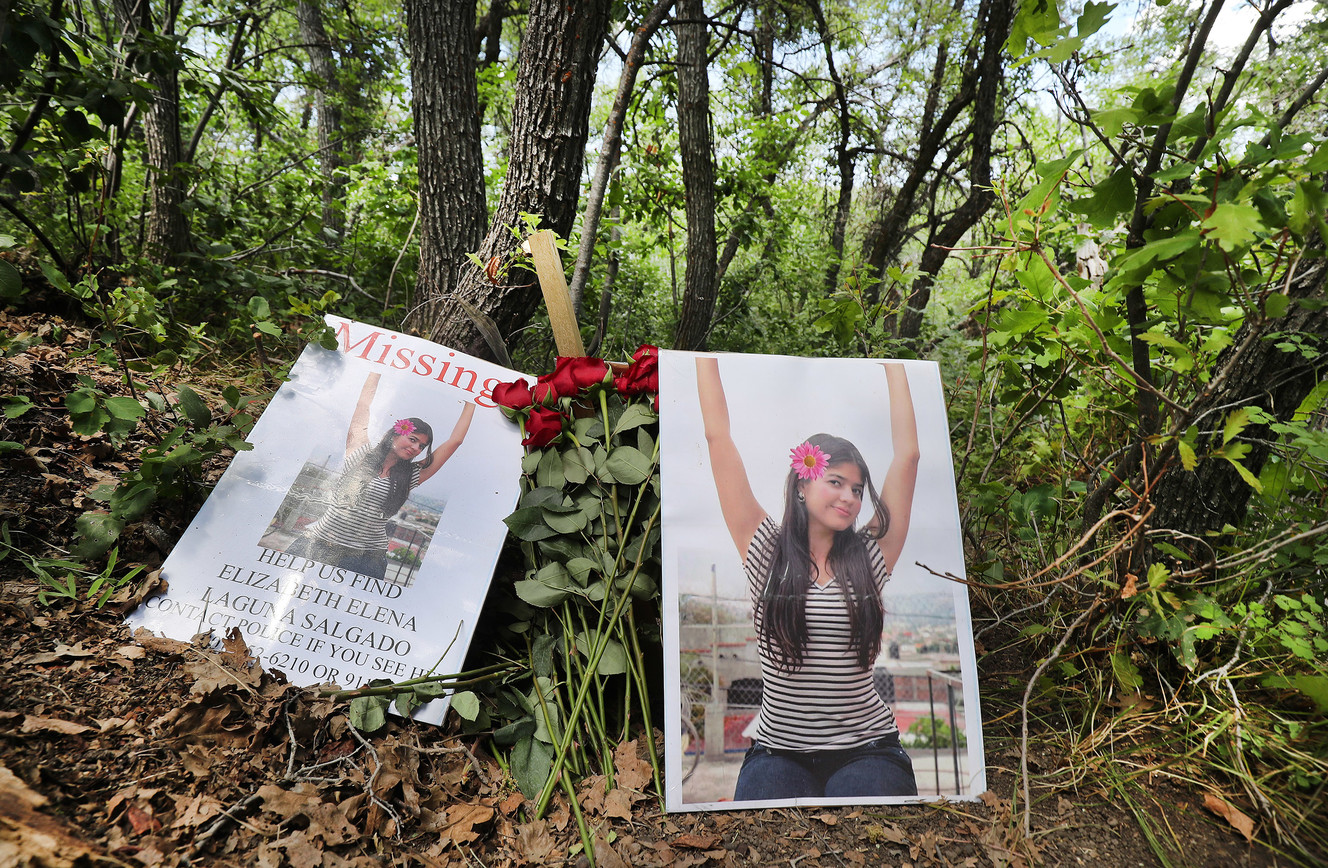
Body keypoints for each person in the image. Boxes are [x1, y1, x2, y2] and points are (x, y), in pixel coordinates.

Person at [695, 357, 920, 800]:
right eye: (836, 482)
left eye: (857, 489)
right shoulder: (765, 550)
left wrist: (894, 364)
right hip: (778, 752)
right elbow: (716, 437)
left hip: (868, 748)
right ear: (803, 485)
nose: (850, 498)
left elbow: (909, 456)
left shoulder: (870, 557)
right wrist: (701, 358)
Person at [289, 372, 474, 579]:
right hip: (317, 542)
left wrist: (472, 400)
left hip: (364, 558)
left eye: (421, 446)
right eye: (412, 439)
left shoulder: (411, 474)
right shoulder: (359, 454)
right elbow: (363, 407)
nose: (416, 448)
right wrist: (377, 369)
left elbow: (454, 441)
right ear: (396, 433)